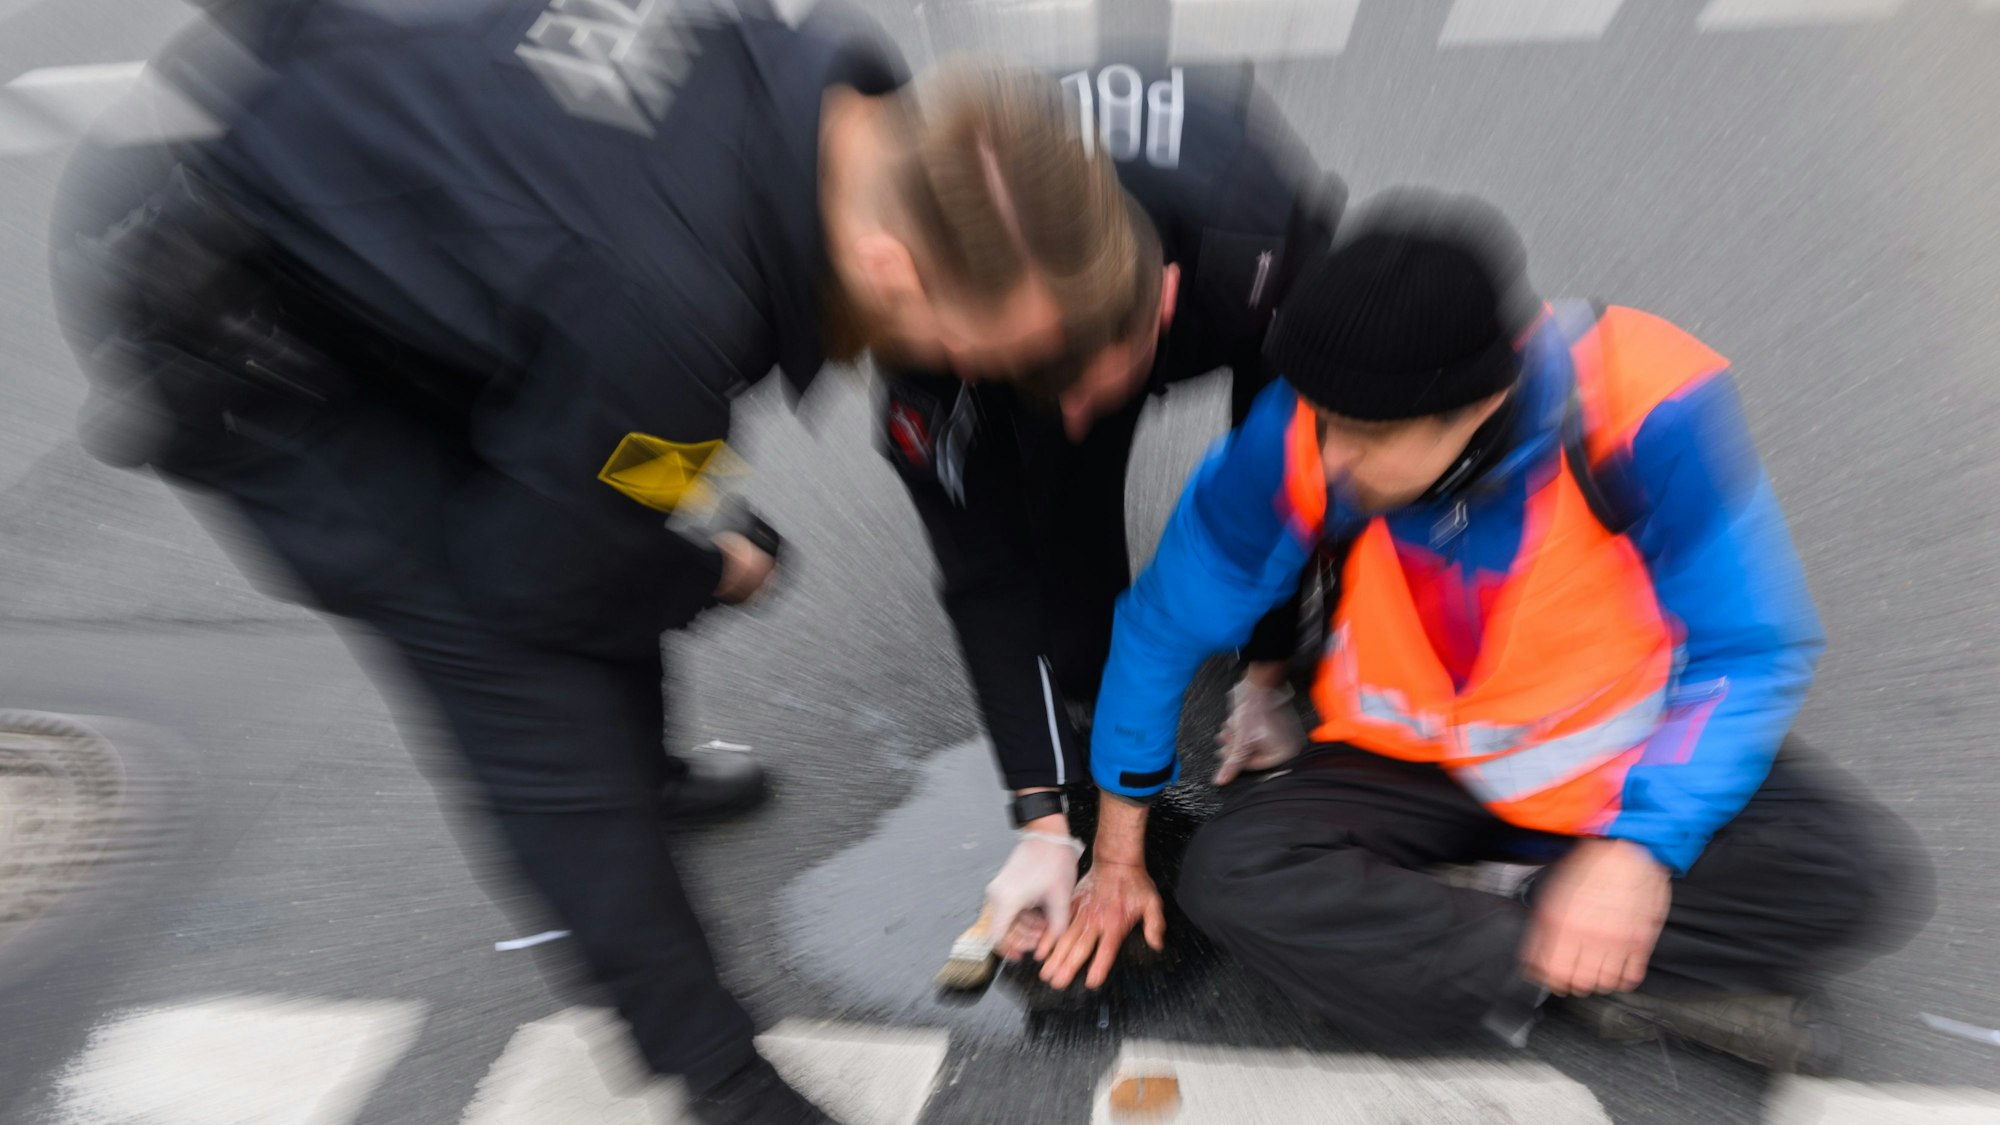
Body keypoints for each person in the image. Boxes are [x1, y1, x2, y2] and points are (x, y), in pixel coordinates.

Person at [50, 2, 1143, 1121]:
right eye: (976, 346)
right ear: (890, 264)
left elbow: (586, 476)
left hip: (372, 188)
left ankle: (651, 775)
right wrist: (702, 577)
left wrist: (645, 548)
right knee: (529, 683)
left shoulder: (794, 98)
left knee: (588, 503)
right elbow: (537, 583)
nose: (966, 372)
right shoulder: (667, 317)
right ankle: (714, 1075)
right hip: (226, 301)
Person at [1041, 190, 1931, 1071]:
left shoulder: (1641, 400)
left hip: (1614, 759)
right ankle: (1597, 961)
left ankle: (1493, 939)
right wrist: (1118, 853)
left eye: (1366, 436)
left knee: (1852, 873)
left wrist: (1636, 852)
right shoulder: (1302, 431)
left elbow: (1752, 647)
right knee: (1228, 876)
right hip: (1408, 760)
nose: (1332, 456)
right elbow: (1161, 625)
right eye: (1323, 422)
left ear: (1476, 403)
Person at [880, 58, 1345, 963]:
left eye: (1102, 389)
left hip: (1235, 249)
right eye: (1052, 388)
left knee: (1308, 482)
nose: (1089, 415)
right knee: (1064, 539)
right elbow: (982, 574)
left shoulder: (1251, 241)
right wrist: (1043, 818)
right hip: (1054, 316)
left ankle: (1275, 669)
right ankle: (1098, 703)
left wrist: (1265, 673)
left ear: (1162, 304)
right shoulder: (927, 332)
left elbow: (1285, 476)